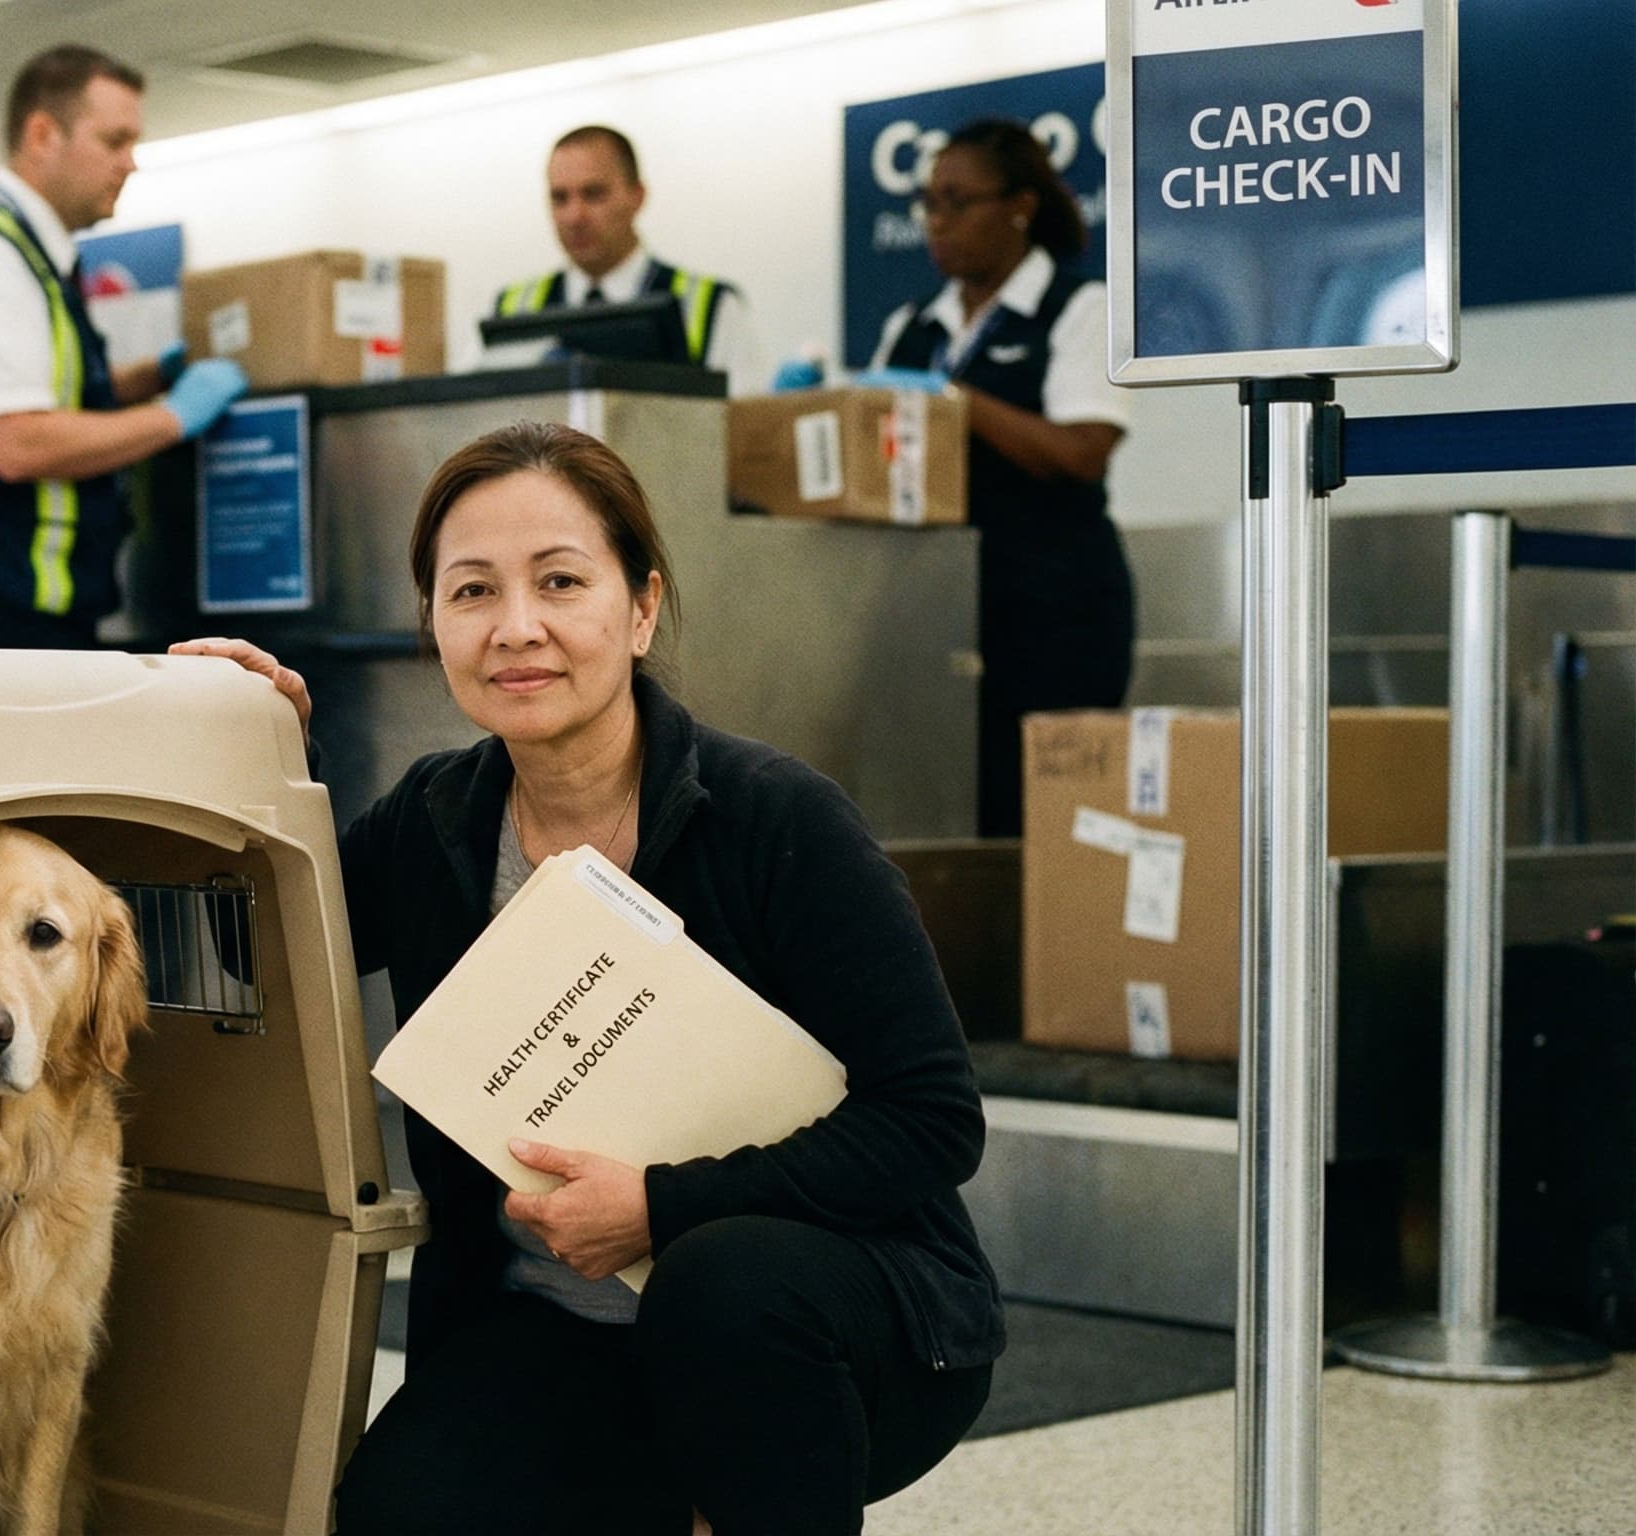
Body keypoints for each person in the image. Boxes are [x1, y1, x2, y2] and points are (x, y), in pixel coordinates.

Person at [173, 422, 999, 1535]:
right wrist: (261, 760)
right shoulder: (431, 822)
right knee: (396, 1511)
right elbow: (256, 951)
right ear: (434, 622)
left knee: (724, 1284)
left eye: (561, 581)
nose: (518, 628)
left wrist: (659, 1206)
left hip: (837, 1326)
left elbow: (933, 1122)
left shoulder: (775, 818)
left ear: (640, 607)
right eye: (471, 592)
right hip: (559, 1335)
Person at [0, 44, 247, 648]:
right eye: (114, 142)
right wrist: (173, 417)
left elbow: (44, 392)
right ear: (42, 134)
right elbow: (16, 442)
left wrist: (150, 378)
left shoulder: (35, 256)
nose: (131, 164)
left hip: (10, 587)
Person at [863, 117, 1135, 837]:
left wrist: (955, 401)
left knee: (1043, 822)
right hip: (940, 618)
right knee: (953, 810)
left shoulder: (1080, 308)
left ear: (1020, 206)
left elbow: (1081, 450)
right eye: (929, 203)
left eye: (958, 201)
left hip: (1057, 614)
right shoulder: (912, 326)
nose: (937, 221)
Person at [488, 126, 763, 387]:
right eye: (560, 198)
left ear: (637, 196)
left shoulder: (712, 307)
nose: (575, 216)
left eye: (593, 194)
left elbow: (744, 427)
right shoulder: (511, 309)